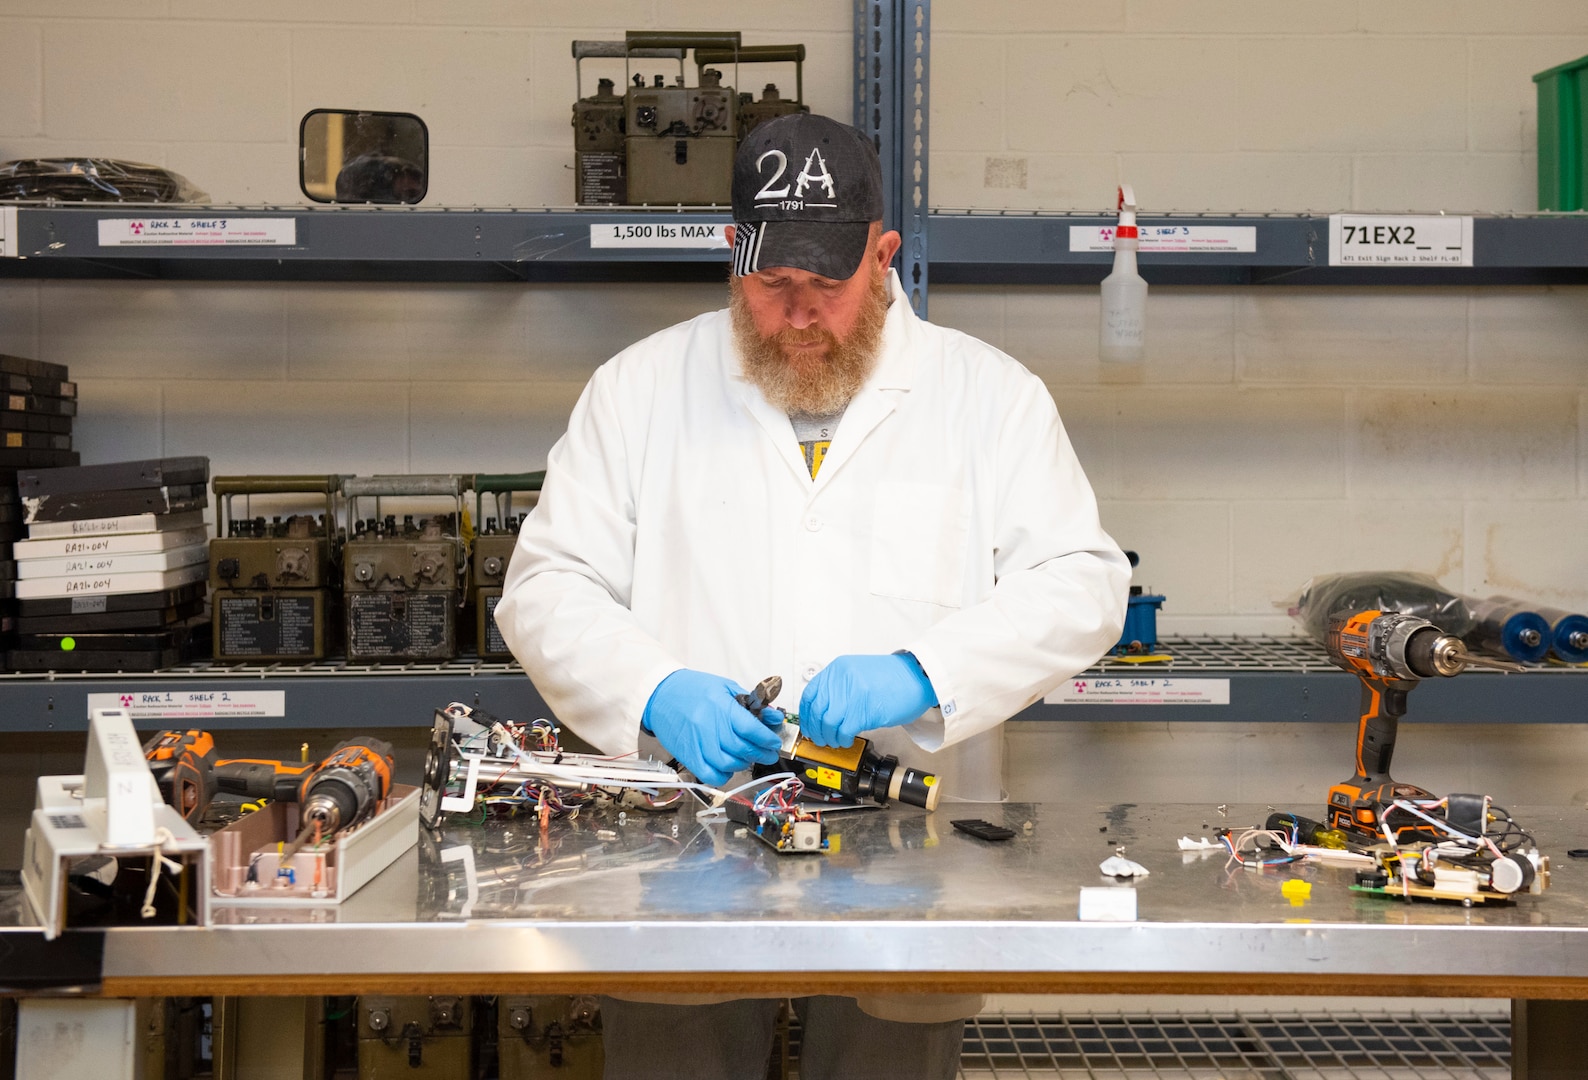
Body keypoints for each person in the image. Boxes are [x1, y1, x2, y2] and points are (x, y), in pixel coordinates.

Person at [495, 113, 1129, 1080]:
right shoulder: (640, 390)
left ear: (884, 259)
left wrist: (926, 673)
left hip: (906, 852)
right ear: (730, 256)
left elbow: (1084, 583)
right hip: (691, 845)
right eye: (770, 283)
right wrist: (656, 689)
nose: (795, 313)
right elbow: (545, 586)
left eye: (825, 285)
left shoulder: (987, 398)